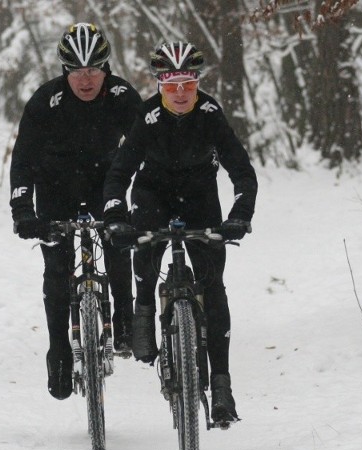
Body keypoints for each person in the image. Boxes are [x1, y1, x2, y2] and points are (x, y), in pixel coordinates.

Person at [102, 41, 258, 423]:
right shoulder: (148, 117)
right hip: (152, 193)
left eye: (188, 84)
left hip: (199, 196)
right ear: (159, 85)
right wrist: (115, 216)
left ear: (198, 83)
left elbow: (243, 173)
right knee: (145, 241)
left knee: (213, 285)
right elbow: (119, 174)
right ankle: (143, 307)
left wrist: (239, 216)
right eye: (171, 85)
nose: (180, 93)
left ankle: (222, 385)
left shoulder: (210, 113)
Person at [9, 23, 142, 400]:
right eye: (77, 72)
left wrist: (147, 199)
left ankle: (124, 317)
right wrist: (22, 208)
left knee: (118, 240)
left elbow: (147, 150)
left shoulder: (122, 97)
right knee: (56, 268)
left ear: (107, 69)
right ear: (64, 71)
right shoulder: (44, 101)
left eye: (94, 71)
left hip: (106, 182)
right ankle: (60, 350)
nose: (86, 80)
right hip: (55, 187)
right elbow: (22, 159)